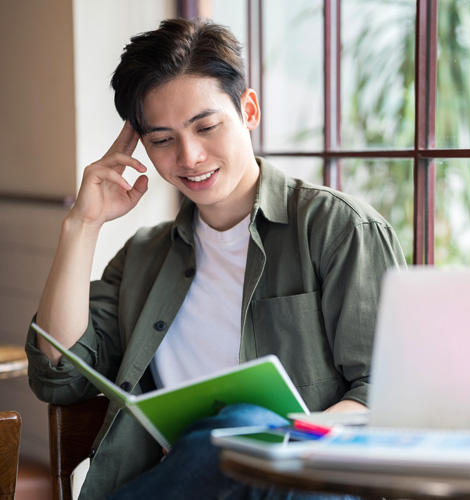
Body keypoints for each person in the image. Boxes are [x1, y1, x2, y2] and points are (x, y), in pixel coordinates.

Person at [25, 17, 406, 500]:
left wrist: (260, 443)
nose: (190, 157)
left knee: (246, 428)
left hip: (306, 482)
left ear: (248, 109)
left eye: (206, 126)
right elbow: (58, 376)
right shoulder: (144, 258)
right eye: (161, 139)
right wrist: (81, 226)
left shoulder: (338, 229)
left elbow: (387, 393)